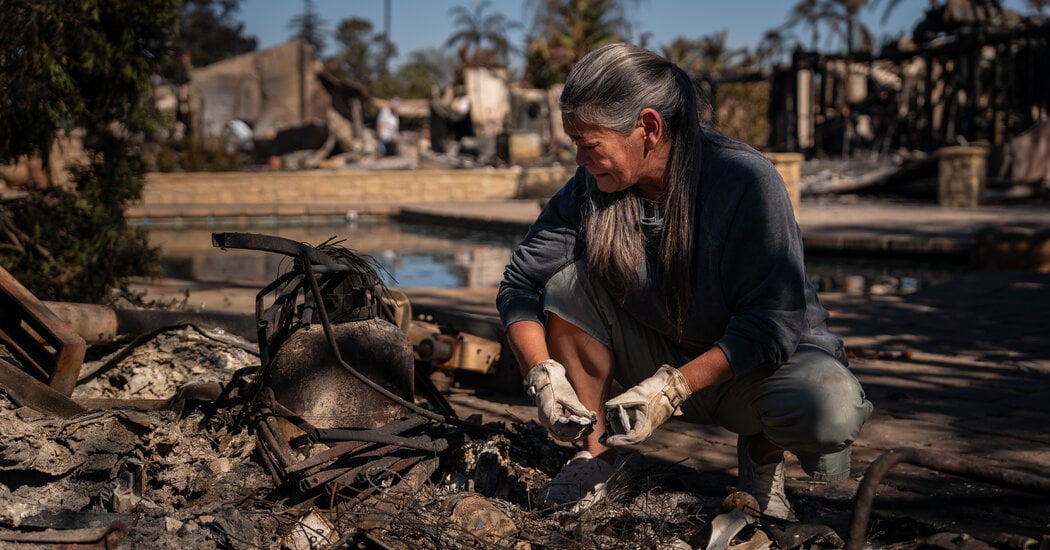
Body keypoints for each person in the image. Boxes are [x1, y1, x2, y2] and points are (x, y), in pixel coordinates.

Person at [496, 43, 872, 519]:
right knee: (564, 285)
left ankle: (761, 462)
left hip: (747, 371)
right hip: (653, 358)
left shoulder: (745, 180)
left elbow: (769, 323)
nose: (578, 160)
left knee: (831, 405)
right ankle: (594, 457)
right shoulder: (590, 188)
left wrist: (672, 388)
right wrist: (542, 375)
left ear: (648, 128)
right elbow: (520, 285)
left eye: (589, 145)